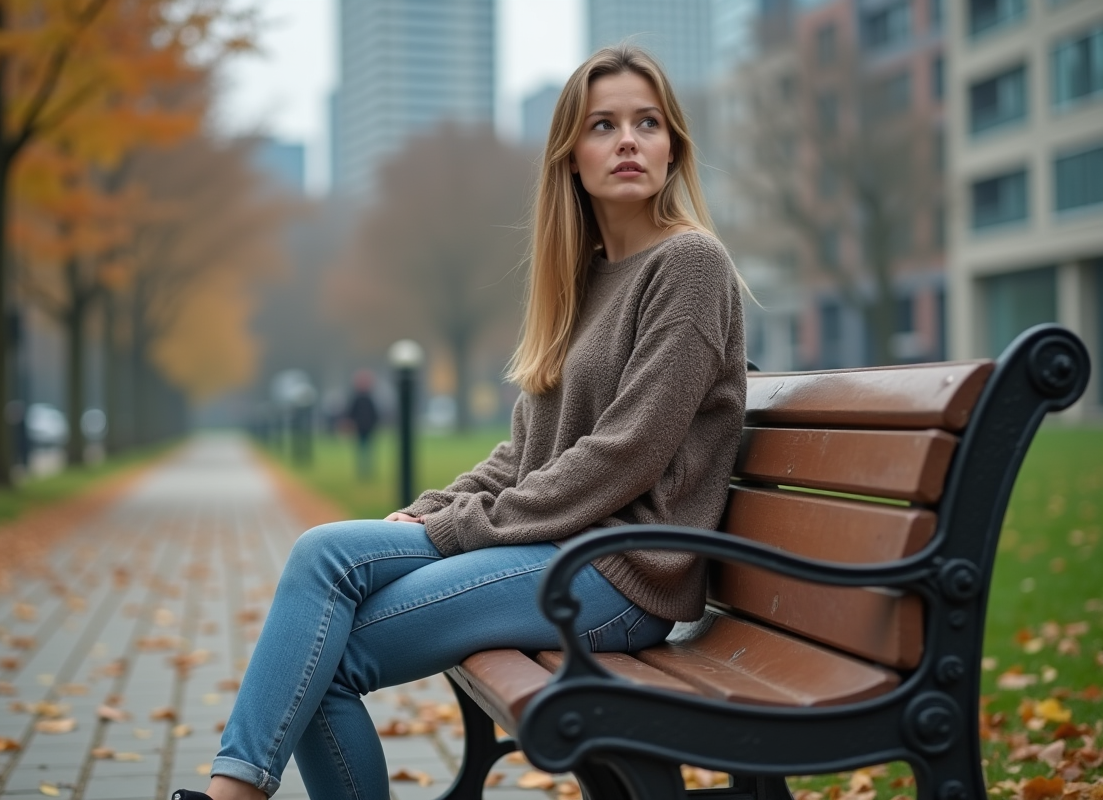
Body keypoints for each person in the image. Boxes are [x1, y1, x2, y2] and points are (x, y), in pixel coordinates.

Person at [173, 43, 747, 800]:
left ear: (674, 147)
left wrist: (460, 527)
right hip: (562, 556)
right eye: (603, 125)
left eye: (647, 122)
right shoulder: (582, 282)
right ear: (571, 157)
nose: (629, 141)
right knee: (319, 579)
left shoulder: (690, 266)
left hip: (618, 576)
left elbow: (628, 453)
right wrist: (433, 508)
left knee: (319, 644)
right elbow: (524, 452)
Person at [345, 369, 380, 480]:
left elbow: (375, 414)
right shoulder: (356, 398)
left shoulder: (369, 398)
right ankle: (362, 470)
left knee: (368, 449)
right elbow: (351, 413)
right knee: (361, 449)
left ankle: (367, 470)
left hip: (369, 428)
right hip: (360, 428)